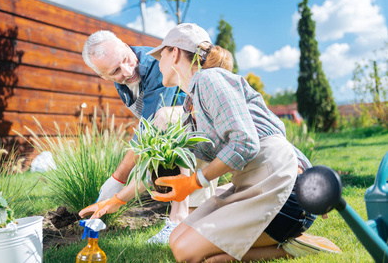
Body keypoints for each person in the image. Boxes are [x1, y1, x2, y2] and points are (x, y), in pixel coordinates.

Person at [81, 23, 341, 262]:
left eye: (160, 56)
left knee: (185, 252)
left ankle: (284, 244)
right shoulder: (191, 106)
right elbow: (166, 167)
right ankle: (288, 246)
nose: (154, 63)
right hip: (254, 184)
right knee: (180, 242)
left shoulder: (210, 79)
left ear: (174, 53)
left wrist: (195, 181)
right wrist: (116, 199)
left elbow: (248, 143)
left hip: (283, 193)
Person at [81, 30, 217, 244]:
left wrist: (119, 178)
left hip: (207, 120)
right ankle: (190, 221)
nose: (127, 71)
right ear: (103, 76)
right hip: (192, 130)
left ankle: (176, 219)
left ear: (126, 46)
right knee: (197, 207)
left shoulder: (155, 64)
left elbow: (151, 129)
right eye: (115, 71)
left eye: (125, 60)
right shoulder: (122, 79)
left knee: (164, 130)